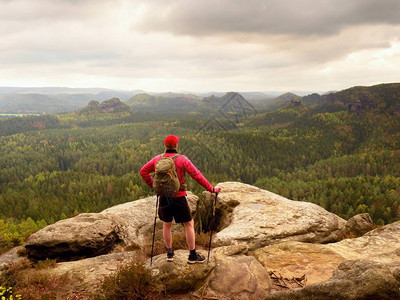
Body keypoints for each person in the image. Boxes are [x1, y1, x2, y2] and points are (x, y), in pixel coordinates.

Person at [140, 135, 221, 264]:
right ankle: (192, 255)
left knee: (167, 225)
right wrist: (211, 189)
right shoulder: (182, 160)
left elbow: (143, 171)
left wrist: (155, 187)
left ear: (165, 146)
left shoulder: (157, 159)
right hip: (178, 197)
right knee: (189, 224)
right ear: (176, 146)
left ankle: (169, 253)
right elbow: (197, 175)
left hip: (164, 197)